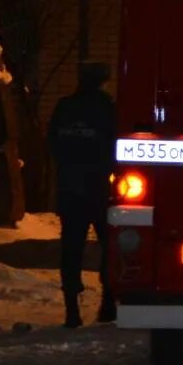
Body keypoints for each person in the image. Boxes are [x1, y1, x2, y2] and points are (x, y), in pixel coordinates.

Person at [48, 62, 117, 328]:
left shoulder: (65, 107)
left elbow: (54, 143)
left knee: (71, 248)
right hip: (99, 189)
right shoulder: (107, 109)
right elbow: (114, 147)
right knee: (109, 246)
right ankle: (108, 303)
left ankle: (71, 309)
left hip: (69, 188)